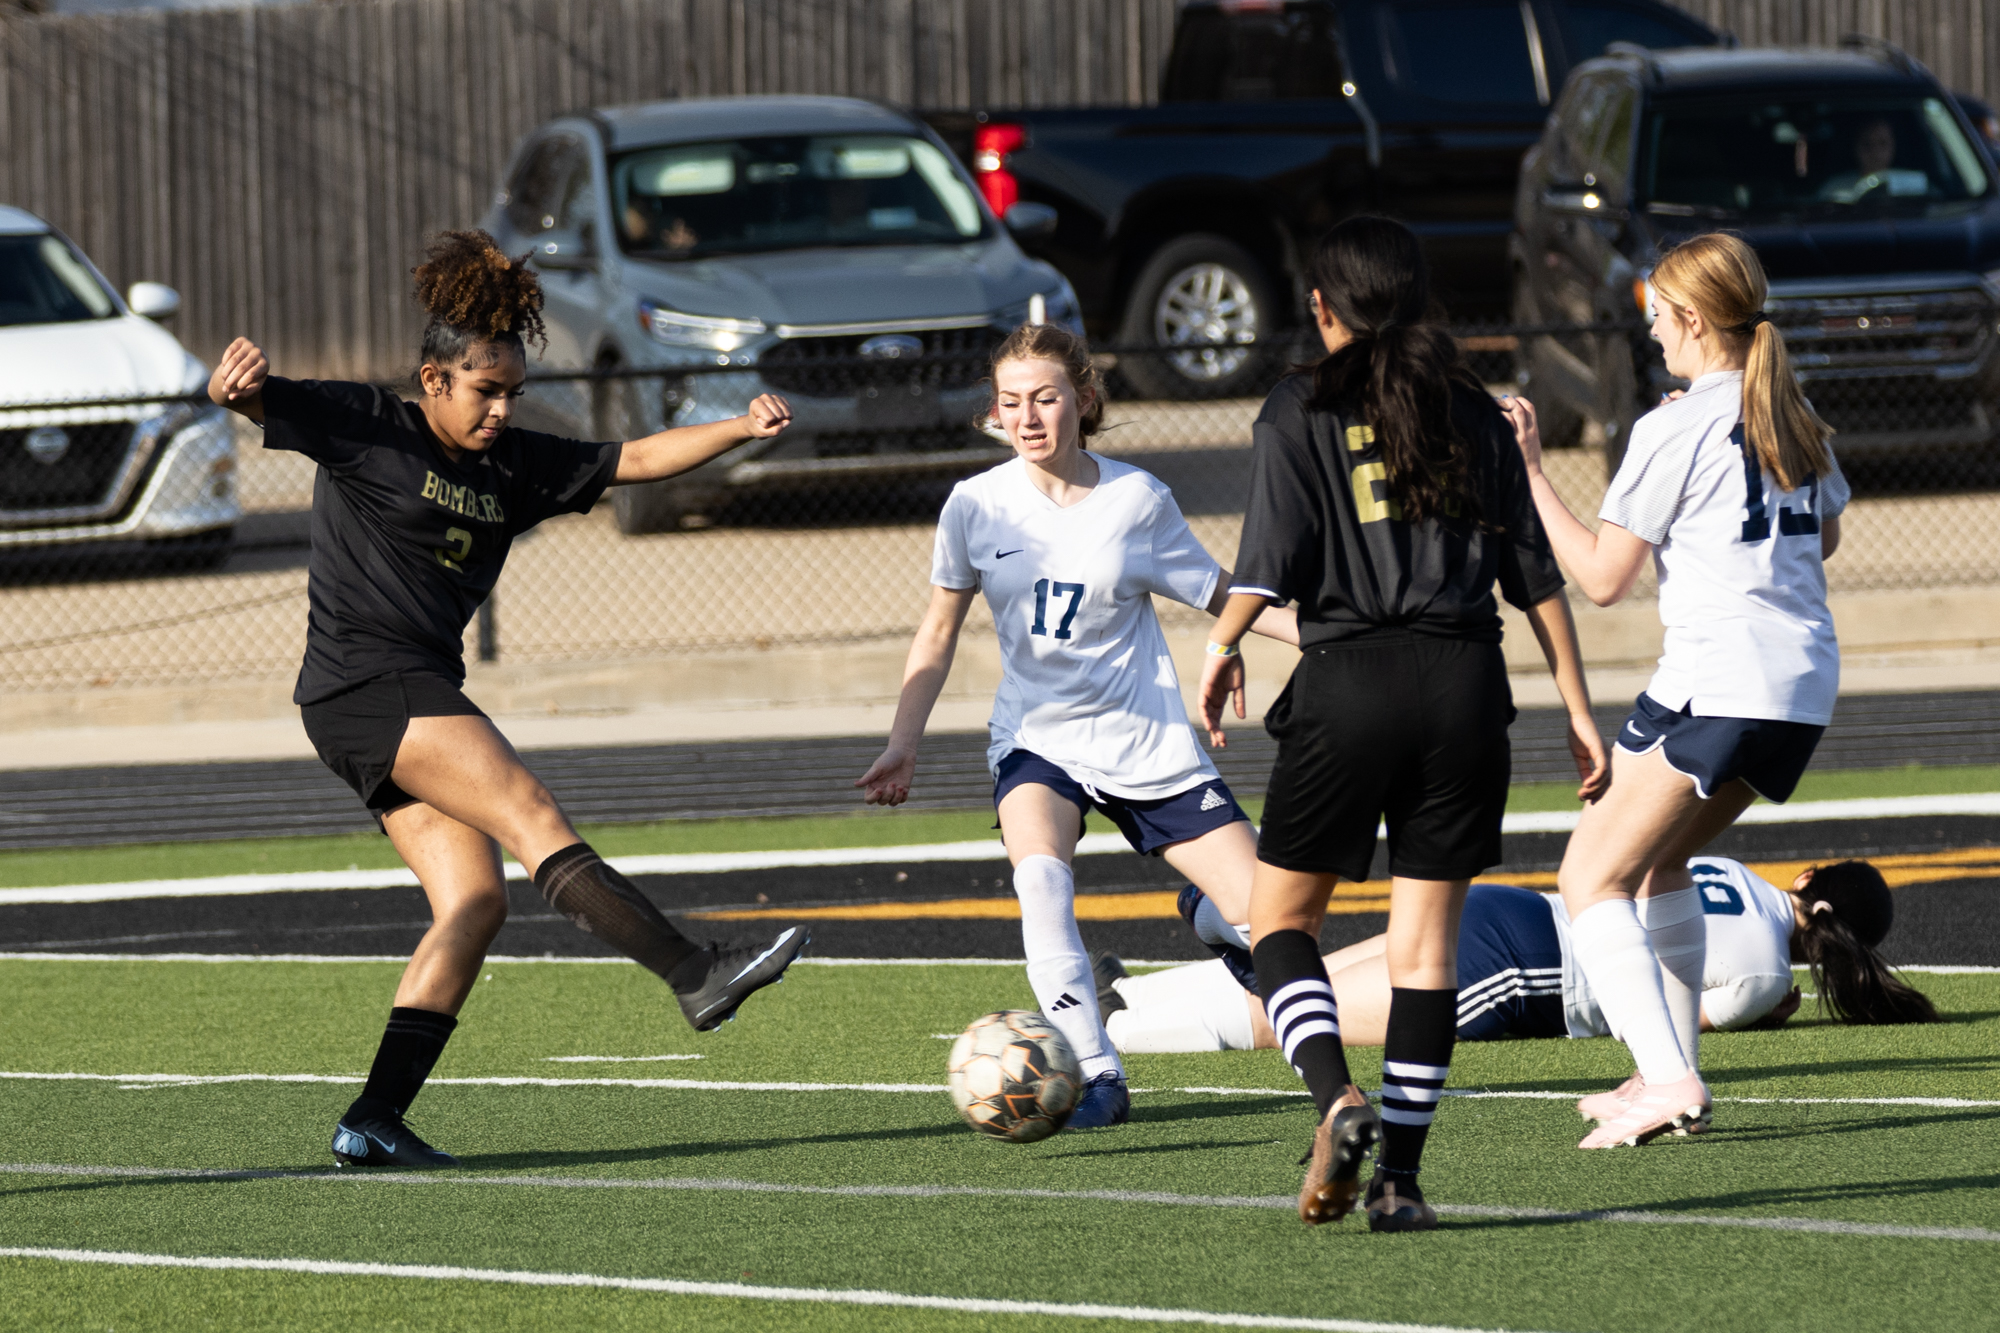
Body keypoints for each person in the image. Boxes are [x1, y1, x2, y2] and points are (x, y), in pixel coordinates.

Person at [206, 230, 810, 1170]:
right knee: (531, 814)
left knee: (475, 899)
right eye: (484, 390)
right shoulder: (369, 424)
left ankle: (372, 1120)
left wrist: (739, 426)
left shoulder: (515, 466)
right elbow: (257, 401)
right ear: (433, 379)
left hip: (398, 694)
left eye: (512, 391)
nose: (500, 408)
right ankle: (695, 973)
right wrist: (236, 387)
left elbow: (635, 460)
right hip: (371, 683)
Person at [1196, 216, 1606, 1233]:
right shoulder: (1471, 407)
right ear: (1419, 299)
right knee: (1426, 949)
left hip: (1349, 680)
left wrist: (1218, 648)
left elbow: (1266, 556)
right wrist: (1581, 710)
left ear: (1321, 307)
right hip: (1465, 686)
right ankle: (1400, 1185)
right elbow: (1533, 577)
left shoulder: (1295, 406)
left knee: (1279, 921)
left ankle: (1336, 1095)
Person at [855, 321, 1300, 1130]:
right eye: (1011, 402)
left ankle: (1207, 919)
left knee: (1274, 918)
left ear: (1084, 399)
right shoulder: (974, 506)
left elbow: (1217, 589)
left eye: (1046, 398)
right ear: (995, 411)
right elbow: (938, 628)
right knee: (1041, 880)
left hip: (1146, 743)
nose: (1028, 417)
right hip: (1038, 742)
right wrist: (903, 740)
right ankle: (1097, 1073)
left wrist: (1328, 637)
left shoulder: (1136, 501)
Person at [1499, 230, 1847, 1151]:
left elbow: (1604, 576)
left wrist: (1533, 474)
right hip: (1802, 688)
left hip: (1725, 679)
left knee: (1588, 876)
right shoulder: (1792, 409)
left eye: (1657, 319)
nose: (1651, 336)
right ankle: (1669, 1056)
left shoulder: (1675, 424)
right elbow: (1827, 538)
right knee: (1656, 867)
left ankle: (1667, 1076)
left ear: (1692, 319)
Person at [1096, 858, 1938, 1059]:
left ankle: (1127, 996)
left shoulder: (1734, 872)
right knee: (1290, 1020)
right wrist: (1773, 1004)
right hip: (1527, 969)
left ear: (1805, 878)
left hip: (1515, 905)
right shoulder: (1767, 975)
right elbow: (1668, 1021)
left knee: (1307, 974)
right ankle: (1114, 1039)